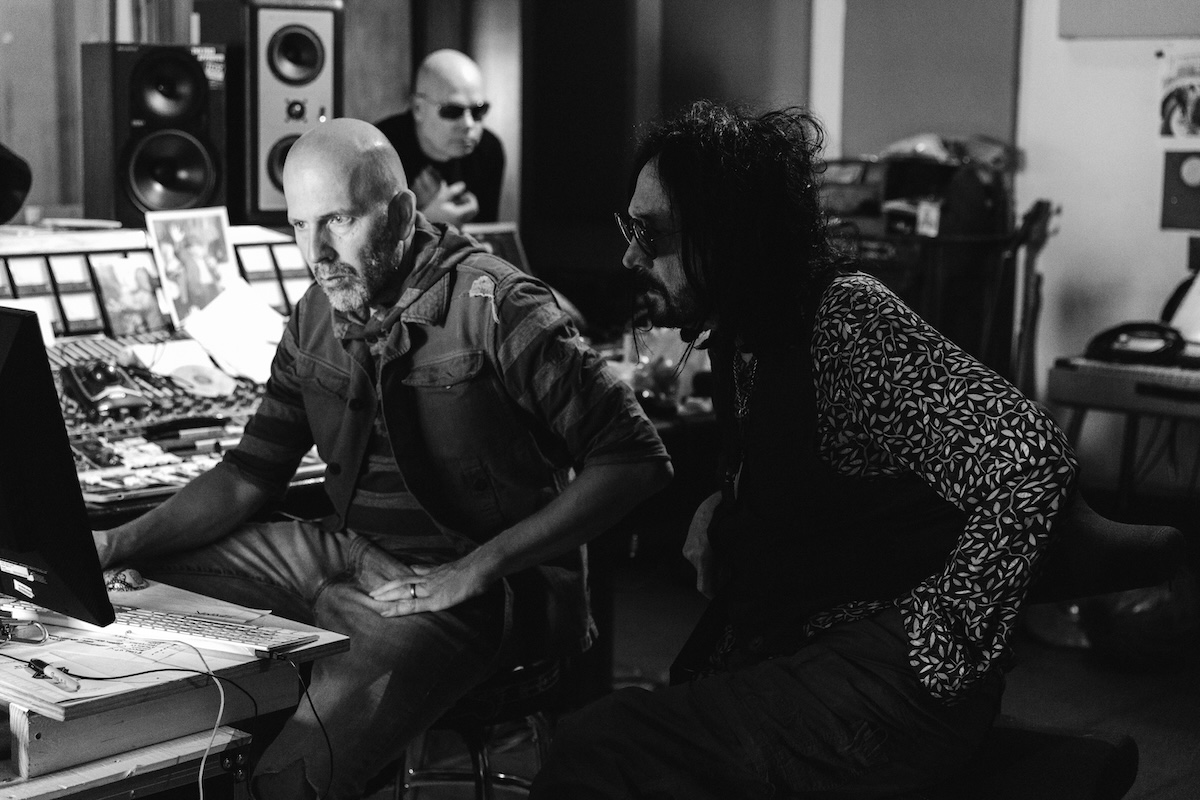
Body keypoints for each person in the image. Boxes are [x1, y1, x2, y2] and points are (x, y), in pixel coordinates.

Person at [93, 118, 672, 800]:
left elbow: (636, 460)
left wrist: (478, 567)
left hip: (474, 587)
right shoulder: (313, 312)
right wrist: (111, 542)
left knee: (289, 778)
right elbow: (249, 476)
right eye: (299, 226)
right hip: (349, 556)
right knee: (129, 584)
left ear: (401, 213)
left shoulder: (500, 305)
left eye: (337, 220)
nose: (316, 252)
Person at [529, 101, 1079, 799]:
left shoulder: (848, 323)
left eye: (651, 231)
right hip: (822, 659)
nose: (631, 254)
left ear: (728, 232)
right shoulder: (753, 324)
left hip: (883, 681)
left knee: (600, 749)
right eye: (627, 227)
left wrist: (938, 649)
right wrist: (726, 500)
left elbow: (1028, 460)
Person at [376, 49, 504, 226]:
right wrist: (425, 220)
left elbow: (486, 236)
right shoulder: (380, 149)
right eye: (452, 111)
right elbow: (369, 241)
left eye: (478, 110)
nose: (468, 124)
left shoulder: (488, 150)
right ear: (418, 109)